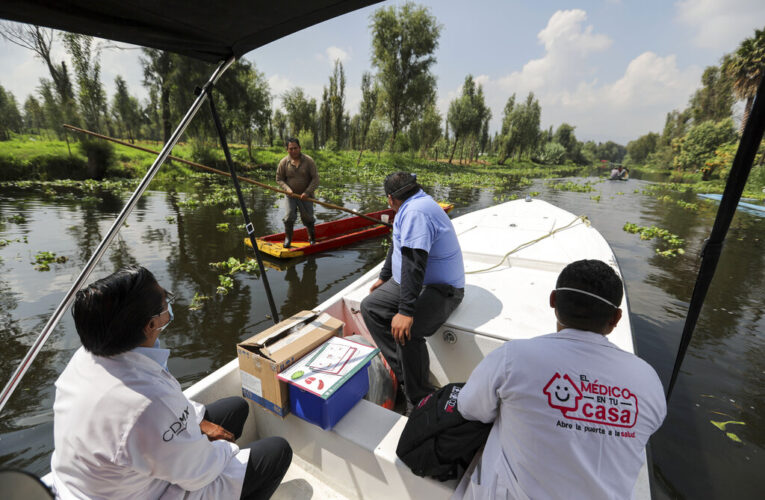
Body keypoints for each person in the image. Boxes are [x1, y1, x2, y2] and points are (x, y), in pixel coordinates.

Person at [50, 266, 292, 500]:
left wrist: (200, 424)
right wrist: (227, 451)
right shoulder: (145, 403)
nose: (170, 306)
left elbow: (167, 411)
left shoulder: (89, 355)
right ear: (151, 324)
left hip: (100, 484)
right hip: (142, 492)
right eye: (166, 301)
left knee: (236, 408)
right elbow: (200, 474)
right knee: (276, 452)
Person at [455, 259, 666, 499]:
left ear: (553, 300)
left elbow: (470, 409)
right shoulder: (647, 379)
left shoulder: (512, 358)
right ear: (616, 318)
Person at [360, 172, 465, 409]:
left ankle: (418, 397)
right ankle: (409, 376)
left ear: (390, 199)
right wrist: (384, 277)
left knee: (408, 330)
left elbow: (414, 263)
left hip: (442, 288)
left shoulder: (416, 212)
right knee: (371, 307)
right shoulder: (408, 207)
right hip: (410, 282)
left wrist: (406, 312)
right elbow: (398, 246)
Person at [276, 138, 319, 247]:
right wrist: (287, 189)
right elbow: (279, 179)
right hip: (291, 196)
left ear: (300, 148)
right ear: (287, 150)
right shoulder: (284, 162)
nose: (293, 151)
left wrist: (307, 192)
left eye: (295, 148)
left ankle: (312, 239)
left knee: (308, 218)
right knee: (289, 217)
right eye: (290, 149)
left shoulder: (309, 161)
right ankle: (288, 239)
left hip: (306, 196)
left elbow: (315, 179)